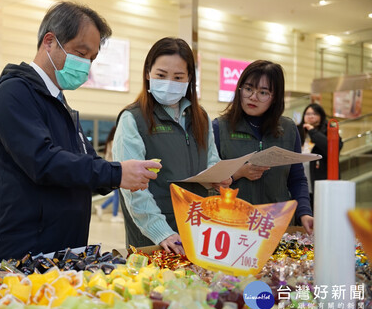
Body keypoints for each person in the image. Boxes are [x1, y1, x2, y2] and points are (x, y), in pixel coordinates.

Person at [0, 1, 161, 267]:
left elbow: (85, 162)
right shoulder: (14, 94)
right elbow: (43, 161)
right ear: (49, 41)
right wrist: (117, 173)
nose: (86, 64)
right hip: (23, 253)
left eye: (92, 58)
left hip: (61, 251)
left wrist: (124, 172)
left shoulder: (61, 105)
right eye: (80, 52)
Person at [112, 37, 231, 254]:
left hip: (199, 228)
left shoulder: (200, 117)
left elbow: (212, 160)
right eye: (161, 75)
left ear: (189, 79)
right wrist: (162, 232)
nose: (169, 83)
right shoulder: (133, 119)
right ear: (148, 73)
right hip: (155, 237)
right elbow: (133, 189)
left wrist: (220, 179)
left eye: (178, 77)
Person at [212, 60, 314, 234]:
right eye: (248, 89)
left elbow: (297, 179)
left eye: (263, 92)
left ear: (274, 98)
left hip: (277, 225)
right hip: (233, 226)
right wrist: (239, 172)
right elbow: (209, 180)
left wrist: (304, 212)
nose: (253, 97)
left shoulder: (288, 129)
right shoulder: (219, 127)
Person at [298, 103, 343, 207]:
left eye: (314, 113)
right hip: (301, 182)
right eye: (307, 113)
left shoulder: (329, 131)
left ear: (321, 116)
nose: (310, 116)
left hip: (320, 183)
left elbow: (333, 149)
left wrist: (312, 131)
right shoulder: (298, 131)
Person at [96, 126, 122, 222]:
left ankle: (102, 207)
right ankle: (114, 215)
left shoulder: (109, 142)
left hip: (110, 168)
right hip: (113, 169)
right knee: (117, 194)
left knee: (116, 194)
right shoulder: (113, 142)